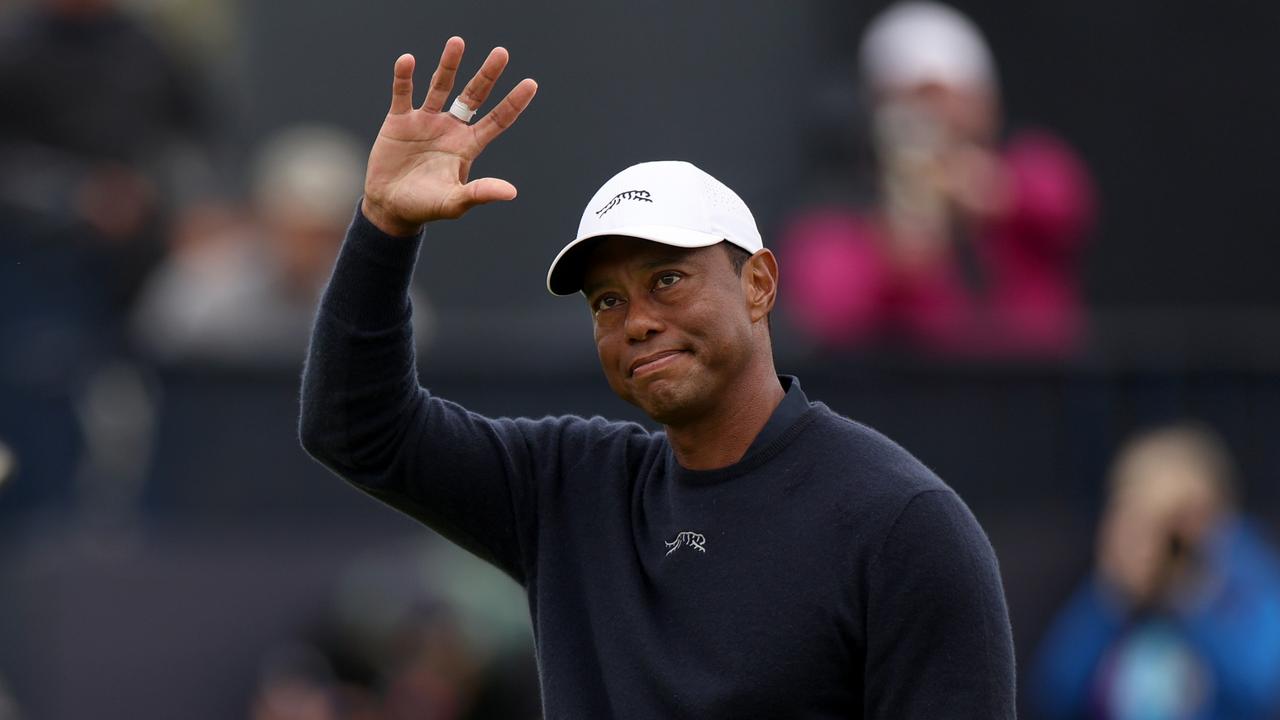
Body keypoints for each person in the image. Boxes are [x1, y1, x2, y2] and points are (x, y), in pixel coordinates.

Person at [300, 37, 1014, 718]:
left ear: (759, 284)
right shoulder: (570, 489)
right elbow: (359, 430)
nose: (636, 320)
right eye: (608, 300)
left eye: (667, 279)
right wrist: (383, 226)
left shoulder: (902, 524)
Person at [781, 1, 1094, 356]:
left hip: (1039, 396)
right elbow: (825, 316)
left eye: (953, 99)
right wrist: (893, 265)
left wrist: (992, 193)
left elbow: (1066, 205)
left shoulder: (1029, 173)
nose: (936, 118)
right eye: (913, 101)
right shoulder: (841, 218)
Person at [1030, 423, 1280, 719]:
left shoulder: (1245, 580)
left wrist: (1194, 589)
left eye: (1176, 520)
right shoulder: (1113, 604)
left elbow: (1263, 689)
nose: (1160, 542)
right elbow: (1053, 692)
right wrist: (1110, 594)